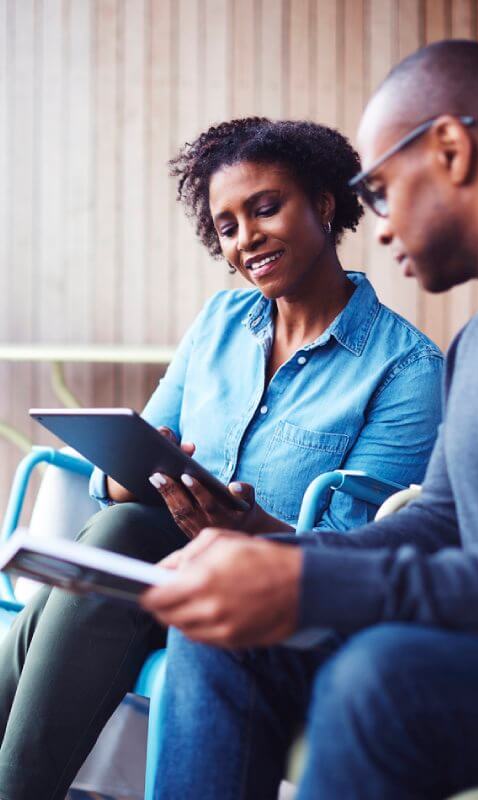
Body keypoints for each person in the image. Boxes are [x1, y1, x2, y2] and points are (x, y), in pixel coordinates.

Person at [143, 41, 478, 800]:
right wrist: (285, 564)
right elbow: (442, 521)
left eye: (381, 190)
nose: (378, 228)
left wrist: (316, 583)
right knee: (218, 638)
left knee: (381, 678)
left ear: (451, 149)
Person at [0, 118, 442, 800]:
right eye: (227, 225)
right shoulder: (219, 322)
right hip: (163, 564)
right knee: (122, 528)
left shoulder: (406, 369)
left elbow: (363, 556)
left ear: (324, 204)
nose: (247, 239)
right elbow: (124, 473)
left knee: (114, 546)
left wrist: (250, 532)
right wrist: (132, 472)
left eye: (266, 208)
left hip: (282, 598)